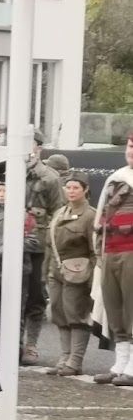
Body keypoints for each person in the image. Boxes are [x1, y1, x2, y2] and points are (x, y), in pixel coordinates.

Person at [0, 163, 40, 364]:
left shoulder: (23, 216)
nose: (2, 194)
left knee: (13, 315)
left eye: (6, 190)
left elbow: (33, 241)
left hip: (15, 271)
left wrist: (5, 247)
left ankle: (13, 354)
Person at [21, 132, 66, 364]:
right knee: (11, 295)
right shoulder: (10, 172)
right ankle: (13, 343)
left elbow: (59, 214)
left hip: (38, 245)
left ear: (38, 148)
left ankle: (31, 345)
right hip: (12, 244)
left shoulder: (50, 178)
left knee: (35, 297)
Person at [45, 173, 96, 376]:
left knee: (76, 314)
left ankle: (75, 361)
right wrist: (46, 273)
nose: (71, 191)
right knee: (58, 312)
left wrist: (92, 279)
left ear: (85, 190)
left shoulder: (90, 216)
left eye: (76, 187)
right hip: (56, 270)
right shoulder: (59, 213)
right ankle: (64, 357)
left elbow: (95, 251)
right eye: (68, 187)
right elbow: (50, 245)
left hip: (79, 273)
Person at [94, 132, 133, 386]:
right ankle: (120, 363)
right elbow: (100, 218)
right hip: (111, 251)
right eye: (131, 146)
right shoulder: (116, 177)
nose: (132, 151)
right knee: (115, 308)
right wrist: (98, 252)